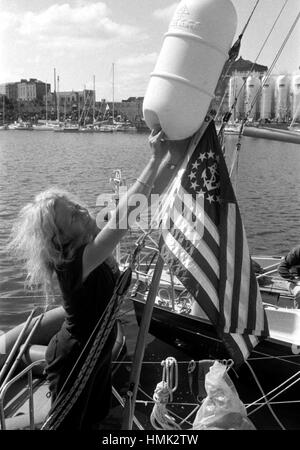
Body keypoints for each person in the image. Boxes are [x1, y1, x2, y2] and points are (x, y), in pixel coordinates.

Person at [7, 129, 190, 430]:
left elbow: (142, 202)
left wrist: (174, 159)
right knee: (68, 424)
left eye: (77, 205)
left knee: (94, 418)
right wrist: (156, 157)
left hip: (96, 349)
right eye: (73, 216)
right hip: (76, 357)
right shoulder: (74, 262)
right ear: (61, 237)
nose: (82, 210)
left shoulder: (89, 245)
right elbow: (125, 216)